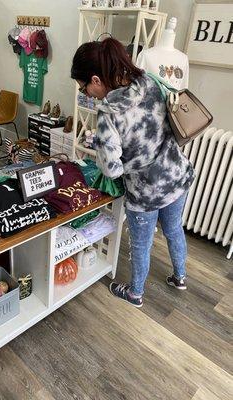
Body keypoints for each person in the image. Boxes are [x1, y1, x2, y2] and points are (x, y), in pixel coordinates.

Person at [71, 38, 195, 308]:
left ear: (96, 79)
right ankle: (180, 276)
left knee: (141, 244)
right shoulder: (151, 82)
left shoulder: (109, 114)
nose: (86, 94)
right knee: (174, 229)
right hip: (176, 177)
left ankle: (135, 293)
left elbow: (112, 170)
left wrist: (105, 151)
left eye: (84, 88)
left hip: (145, 192)